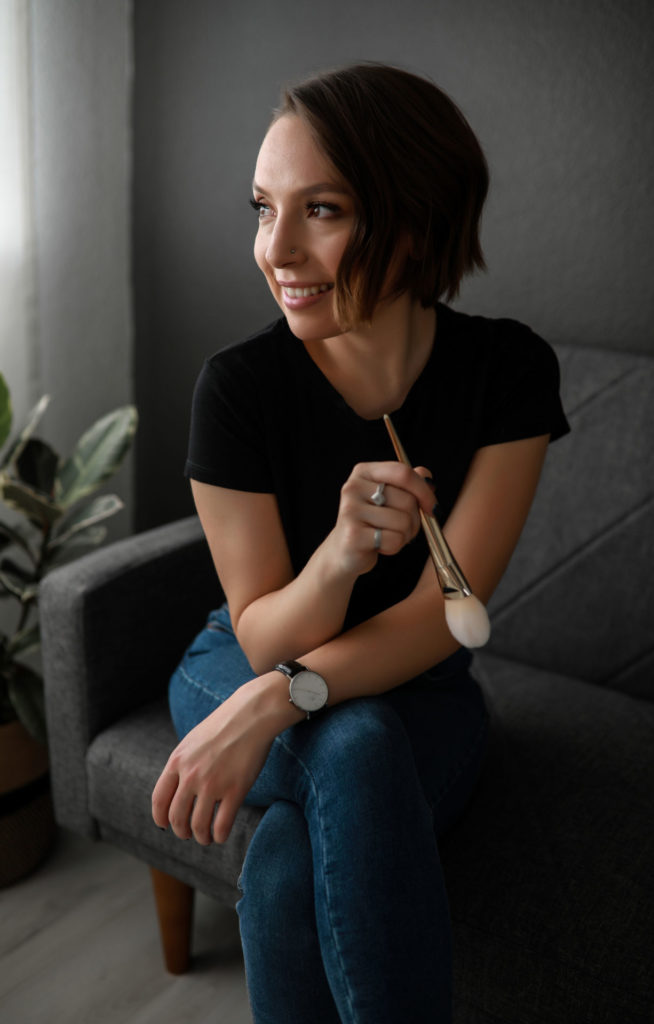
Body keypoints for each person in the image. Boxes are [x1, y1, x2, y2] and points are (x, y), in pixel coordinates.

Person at [152, 63, 569, 1023]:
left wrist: (281, 704)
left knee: (293, 854)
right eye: (263, 208)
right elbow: (260, 636)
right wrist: (339, 556)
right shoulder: (238, 390)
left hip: (417, 689)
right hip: (240, 654)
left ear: (414, 223)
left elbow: (444, 620)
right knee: (360, 740)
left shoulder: (506, 372)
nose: (276, 249)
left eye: (322, 211)